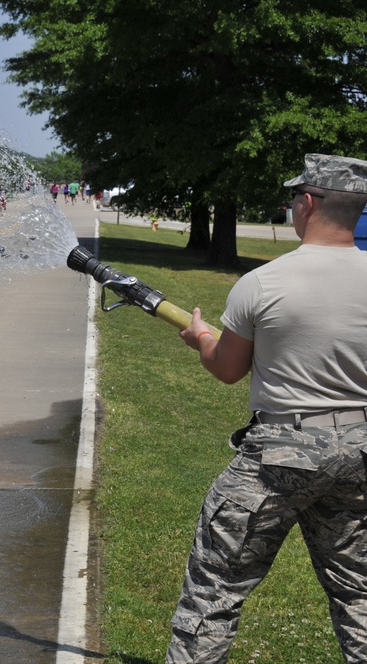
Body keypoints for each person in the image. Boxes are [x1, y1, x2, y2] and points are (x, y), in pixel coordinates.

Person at [167, 153, 367, 663]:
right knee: (360, 594)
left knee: (214, 591)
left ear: (305, 203)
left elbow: (228, 368)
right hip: (362, 451)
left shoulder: (263, 282)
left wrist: (201, 337)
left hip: (282, 454)